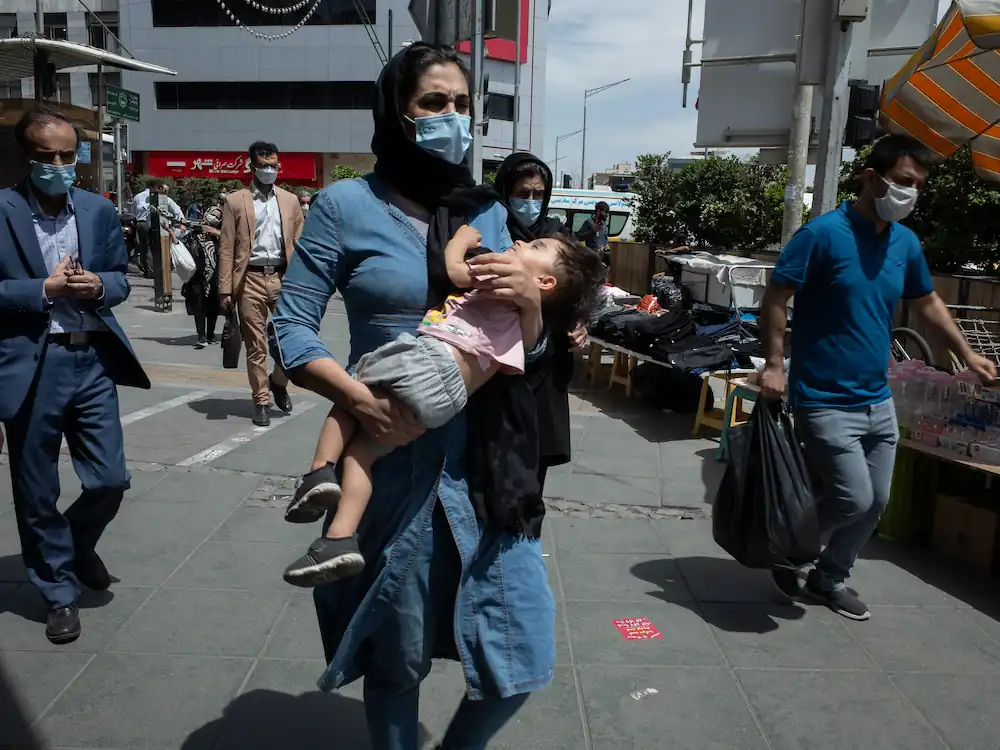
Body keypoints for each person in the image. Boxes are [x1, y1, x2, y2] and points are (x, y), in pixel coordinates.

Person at [271, 43, 555, 750]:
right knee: (395, 661)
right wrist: (356, 401)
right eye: (434, 103)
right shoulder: (343, 206)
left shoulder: (487, 210)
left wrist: (533, 312)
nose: (451, 117)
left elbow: (527, 347)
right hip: (389, 467)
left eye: (462, 105)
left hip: (488, 470)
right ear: (398, 112)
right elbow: (291, 325)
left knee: (520, 655)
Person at [759, 134, 997, 621]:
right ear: (872, 178)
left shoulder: (905, 243)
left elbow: (927, 301)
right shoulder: (821, 236)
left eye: (918, 186)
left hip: (877, 397)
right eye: (905, 182)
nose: (912, 193)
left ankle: (828, 579)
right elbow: (776, 298)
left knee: (875, 503)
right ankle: (787, 547)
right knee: (853, 498)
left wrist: (968, 354)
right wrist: (775, 365)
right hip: (823, 397)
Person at [282, 227, 602, 586]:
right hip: (447, 402)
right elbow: (530, 344)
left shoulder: (500, 278)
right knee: (363, 453)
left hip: (429, 364)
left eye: (535, 246)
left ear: (544, 282)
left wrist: (461, 240)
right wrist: (534, 304)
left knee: (351, 394)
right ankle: (340, 538)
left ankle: (320, 471)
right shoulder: (527, 321)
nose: (521, 242)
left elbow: (454, 271)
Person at [0, 107, 150, 644]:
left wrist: (98, 286)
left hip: (91, 361)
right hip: (31, 363)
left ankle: (76, 542)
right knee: (36, 487)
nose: (60, 165)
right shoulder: (3, 208)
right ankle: (58, 591)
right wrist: (44, 290)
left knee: (110, 479)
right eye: (47, 157)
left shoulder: (97, 210)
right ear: (26, 156)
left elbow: (121, 279)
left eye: (69, 155)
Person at [494, 152, 590, 491]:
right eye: (523, 193)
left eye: (538, 194)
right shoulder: (493, 230)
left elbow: (582, 287)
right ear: (505, 191)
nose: (530, 202)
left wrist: (580, 323)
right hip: (499, 361)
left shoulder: (557, 236)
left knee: (534, 469)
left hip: (548, 367)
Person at [218, 141, 304, 427]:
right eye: (264, 165)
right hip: (250, 279)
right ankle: (261, 400)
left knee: (291, 342)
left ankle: (278, 382)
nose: (270, 170)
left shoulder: (291, 201)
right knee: (256, 346)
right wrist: (225, 289)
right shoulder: (235, 201)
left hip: (283, 277)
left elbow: (299, 244)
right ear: (251, 166)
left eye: (274, 165)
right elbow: (227, 247)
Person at [182, 197, 223, 348]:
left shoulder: (223, 234)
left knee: (213, 307)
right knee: (199, 305)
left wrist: (217, 233)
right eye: (213, 214)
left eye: (218, 216)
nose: (214, 218)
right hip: (197, 277)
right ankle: (201, 336)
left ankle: (211, 335)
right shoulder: (196, 233)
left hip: (216, 277)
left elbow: (237, 242)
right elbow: (183, 248)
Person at [132, 179, 182, 278]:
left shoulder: (142, 196)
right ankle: (153, 271)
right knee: (152, 247)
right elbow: (139, 207)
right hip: (149, 223)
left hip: (149, 223)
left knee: (147, 248)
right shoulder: (145, 196)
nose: (163, 191)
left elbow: (135, 210)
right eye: (161, 188)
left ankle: (152, 271)